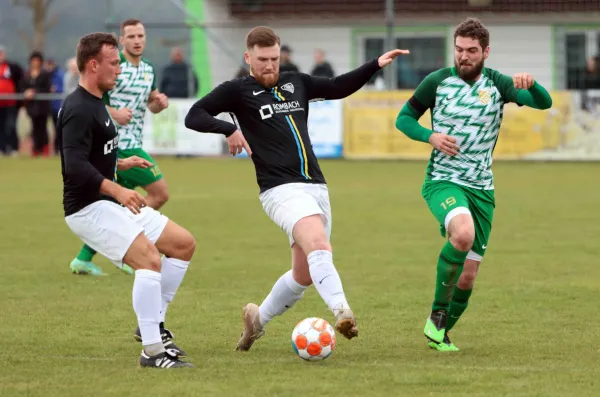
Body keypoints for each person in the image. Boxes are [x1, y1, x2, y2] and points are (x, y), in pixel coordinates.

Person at [184, 26, 409, 351]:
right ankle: (342, 311)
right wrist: (228, 128)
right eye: (262, 59)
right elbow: (194, 115)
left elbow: (337, 86)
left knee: (303, 274)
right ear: (248, 57)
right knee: (319, 244)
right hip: (279, 190)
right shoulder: (236, 90)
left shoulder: (296, 82)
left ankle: (256, 321)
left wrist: (375, 64)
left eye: (274, 59)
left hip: (316, 187)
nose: (269, 66)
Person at [395, 17, 552, 352]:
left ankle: (439, 332)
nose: (463, 56)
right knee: (462, 234)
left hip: (482, 189)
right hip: (443, 181)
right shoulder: (436, 82)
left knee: (467, 277)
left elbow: (544, 103)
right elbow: (404, 118)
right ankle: (437, 315)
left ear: (486, 52)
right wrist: (430, 136)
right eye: (459, 50)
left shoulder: (499, 85)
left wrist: (533, 84)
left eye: (471, 51)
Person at [58, 31, 195, 368]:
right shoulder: (77, 109)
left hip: (105, 201)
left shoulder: (97, 104)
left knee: (182, 244)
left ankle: (153, 325)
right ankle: (153, 351)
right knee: (149, 259)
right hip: (87, 208)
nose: (119, 70)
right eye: (114, 63)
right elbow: (73, 166)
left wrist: (121, 163)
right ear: (93, 65)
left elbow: (92, 155)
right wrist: (117, 188)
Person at [69, 18, 170, 276]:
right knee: (159, 193)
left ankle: (85, 258)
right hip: (118, 144)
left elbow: (149, 103)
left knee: (119, 203)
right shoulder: (113, 65)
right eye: (131, 36)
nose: (137, 40)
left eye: (141, 36)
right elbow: (92, 98)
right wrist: (114, 113)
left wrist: (157, 103)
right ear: (122, 40)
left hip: (134, 141)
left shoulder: (149, 68)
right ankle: (133, 247)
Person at [22, 51, 52, 157]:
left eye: (37, 61)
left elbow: (47, 88)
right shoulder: (27, 74)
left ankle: (45, 149)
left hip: (42, 106)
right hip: (32, 107)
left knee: (43, 127)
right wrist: (26, 92)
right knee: (34, 128)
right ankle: (35, 149)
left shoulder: (44, 74)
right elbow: (22, 86)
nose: (35, 63)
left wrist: (35, 92)